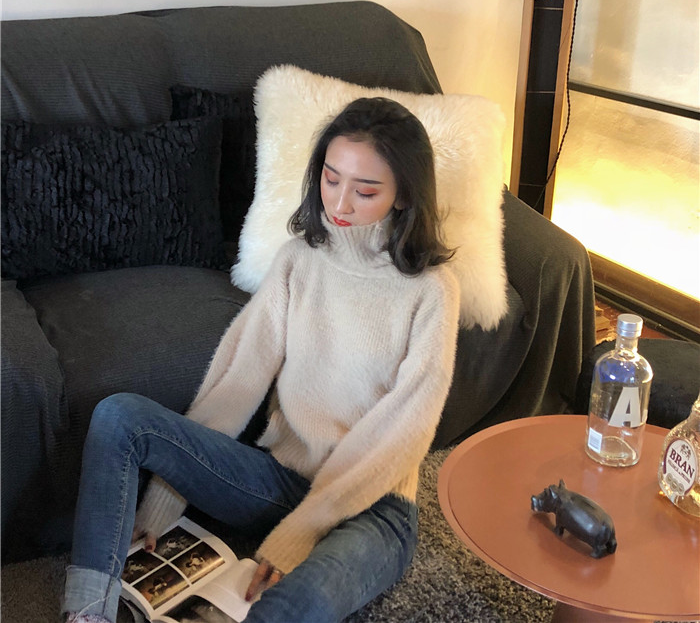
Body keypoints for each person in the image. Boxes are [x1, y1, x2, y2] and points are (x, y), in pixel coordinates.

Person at [62, 96, 461, 623]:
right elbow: (239, 377)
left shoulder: (432, 290)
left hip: (372, 505)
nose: (340, 204)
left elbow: (404, 429)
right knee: (119, 417)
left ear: (405, 194)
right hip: (280, 479)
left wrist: (301, 533)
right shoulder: (299, 260)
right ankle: (86, 613)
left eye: (365, 191)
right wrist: (165, 500)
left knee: (296, 604)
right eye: (331, 179)